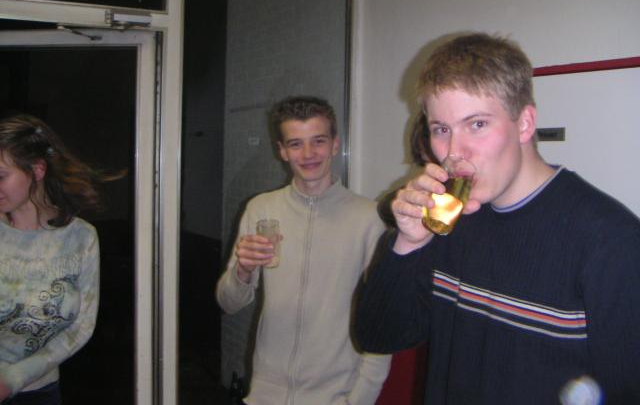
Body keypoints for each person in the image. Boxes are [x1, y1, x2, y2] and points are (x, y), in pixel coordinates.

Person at [355, 33, 640, 404]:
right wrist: (407, 243)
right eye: (441, 129)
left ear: (524, 123)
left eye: (477, 124)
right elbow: (378, 336)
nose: (454, 152)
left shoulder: (612, 241)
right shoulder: (447, 221)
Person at [216, 96, 391, 405]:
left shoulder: (369, 218)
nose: (308, 154)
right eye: (295, 144)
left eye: (318, 141)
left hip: (335, 395)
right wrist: (242, 270)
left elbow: (383, 320)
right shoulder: (261, 209)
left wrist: (359, 400)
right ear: (282, 151)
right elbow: (229, 303)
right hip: (264, 395)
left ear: (335, 144)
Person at [0, 114, 113, 404]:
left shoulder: (81, 238)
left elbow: (81, 327)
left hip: (41, 392)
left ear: (37, 170)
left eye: (1, 176)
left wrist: (14, 378)